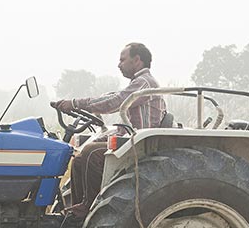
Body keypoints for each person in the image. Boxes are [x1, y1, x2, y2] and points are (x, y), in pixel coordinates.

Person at [51, 42, 166, 217]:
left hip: (140, 144)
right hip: (131, 138)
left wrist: (75, 104)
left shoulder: (144, 82)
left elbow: (114, 102)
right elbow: (112, 98)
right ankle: (76, 211)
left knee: (91, 153)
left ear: (137, 60)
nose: (119, 64)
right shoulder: (137, 84)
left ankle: (90, 208)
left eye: (122, 59)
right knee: (79, 158)